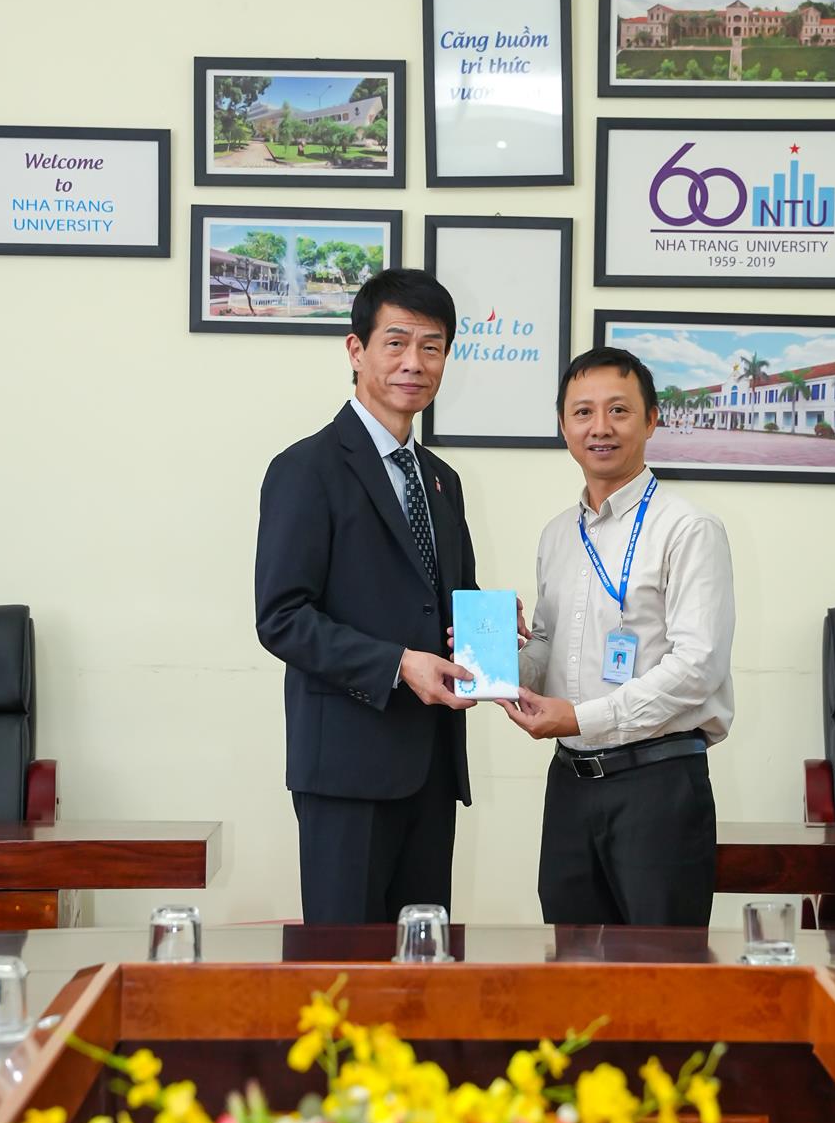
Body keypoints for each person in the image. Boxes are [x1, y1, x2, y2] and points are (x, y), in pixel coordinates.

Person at [255, 268, 478, 923]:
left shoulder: (441, 479)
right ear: (357, 350)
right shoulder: (306, 468)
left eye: (432, 347)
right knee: (344, 969)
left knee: (423, 963)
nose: (415, 363)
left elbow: (440, 597)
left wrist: (486, 623)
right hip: (346, 771)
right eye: (396, 342)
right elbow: (282, 618)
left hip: (432, 767)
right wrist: (398, 664)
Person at [502, 346, 734, 927]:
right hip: (570, 785)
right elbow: (548, 646)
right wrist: (500, 660)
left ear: (652, 420)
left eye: (619, 411)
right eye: (582, 412)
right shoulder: (557, 534)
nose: (599, 427)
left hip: (658, 786)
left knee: (662, 971)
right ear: (563, 426)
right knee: (571, 966)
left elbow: (698, 666)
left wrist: (580, 719)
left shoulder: (689, 528)